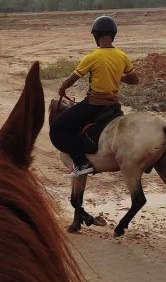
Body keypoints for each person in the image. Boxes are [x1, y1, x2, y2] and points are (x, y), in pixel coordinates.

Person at [50, 15, 139, 176]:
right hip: (113, 105)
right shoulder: (122, 56)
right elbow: (134, 80)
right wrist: (119, 76)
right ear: (113, 34)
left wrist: (62, 89)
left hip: (94, 104)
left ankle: (81, 163)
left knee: (57, 128)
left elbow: (71, 80)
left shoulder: (92, 57)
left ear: (96, 35)